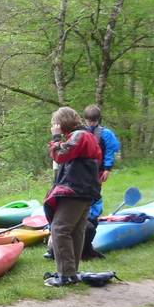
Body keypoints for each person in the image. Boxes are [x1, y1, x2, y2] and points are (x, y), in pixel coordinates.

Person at [43, 106, 102, 286]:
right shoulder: (85, 136)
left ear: (62, 123)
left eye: (55, 123)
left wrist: (55, 137)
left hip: (75, 190)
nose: (54, 126)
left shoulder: (79, 136)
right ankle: (71, 272)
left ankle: (66, 274)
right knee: (75, 230)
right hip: (84, 190)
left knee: (60, 229)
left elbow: (60, 156)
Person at [82, 105, 122, 257]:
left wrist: (107, 168)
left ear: (98, 120)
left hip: (98, 171)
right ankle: (83, 222)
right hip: (83, 171)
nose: (91, 123)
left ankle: (91, 220)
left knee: (94, 196)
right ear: (85, 120)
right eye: (89, 121)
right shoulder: (81, 132)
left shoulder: (106, 134)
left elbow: (111, 151)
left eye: (93, 121)